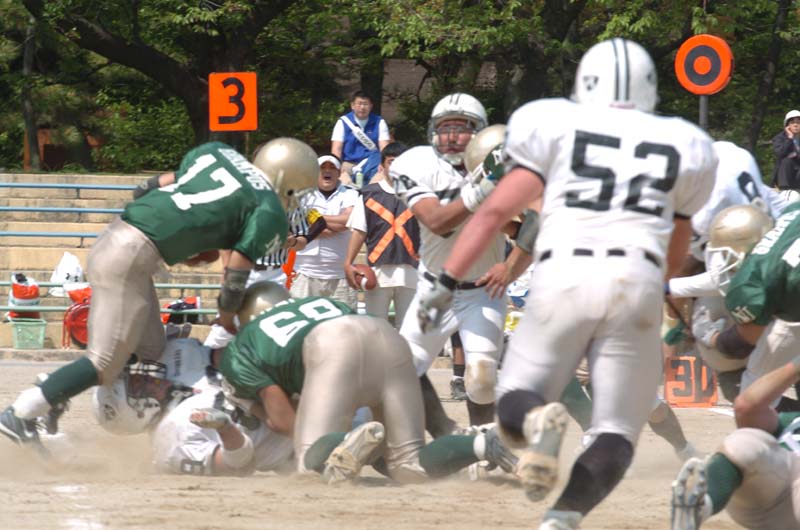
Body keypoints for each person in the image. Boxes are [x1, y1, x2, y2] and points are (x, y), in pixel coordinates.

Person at [418, 38, 717, 530]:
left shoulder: (551, 123)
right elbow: (677, 245)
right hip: (635, 279)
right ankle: (563, 518)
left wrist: (446, 279)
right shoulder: (685, 141)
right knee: (616, 431)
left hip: (565, 274)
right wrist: (653, 294)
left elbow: (491, 212)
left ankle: (538, 422)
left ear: (585, 82)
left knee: (516, 394)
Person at [0, 139, 319, 449]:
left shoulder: (220, 153)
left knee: (152, 353)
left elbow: (147, 187)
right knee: (104, 363)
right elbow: (235, 277)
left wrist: (179, 234)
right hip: (130, 256)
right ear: (289, 177)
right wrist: (225, 318)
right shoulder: (268, 209)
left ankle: (57, 389)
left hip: (125, 241)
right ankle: (23, 412)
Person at [218, 282, 518, 484]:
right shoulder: (318, 302)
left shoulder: (243, 345)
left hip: (331, 348)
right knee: (408, 465)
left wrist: (261, 412)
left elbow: (284, 421)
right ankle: (482, 444)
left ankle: (349, 441)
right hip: (386, 335)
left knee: (309, 464)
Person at [390, 92, 513, 431]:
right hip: (435, 288)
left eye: (463, 127)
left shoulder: (500, 167)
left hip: (482, 290)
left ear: (480, 133)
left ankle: (482, 442)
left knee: (482, 377)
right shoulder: (415, 164)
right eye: (446, 128)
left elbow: (521, 228)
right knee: (401, 369)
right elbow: (437, 222)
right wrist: (482, 190)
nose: (453, 136)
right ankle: (446, 431)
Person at [671, 357, 800, 530]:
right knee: (743, 442)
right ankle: (697, 508)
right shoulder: (792, 421)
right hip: (775, 492)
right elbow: (746, 407)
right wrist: (796, 365)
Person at [344, 142, 418, 326]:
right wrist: (348, 262)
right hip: (377, 274)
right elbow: (359, 232)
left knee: (409, 331)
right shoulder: (369, 195)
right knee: (376, 328)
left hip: (412, 272)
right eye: (391, 162)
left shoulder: (418, 195)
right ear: (382, 166)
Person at [290, 154, 360, 309]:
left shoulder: (350, 193)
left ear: (339, 172)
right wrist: (333, 223)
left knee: (344, 322)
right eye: (323, 168)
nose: (327, 171)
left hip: (340, 276)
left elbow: (349, 220)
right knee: (302, 321)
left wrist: (317, 221)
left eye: (332, 168)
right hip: (305, 273)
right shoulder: (302, 195)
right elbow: (297, 225)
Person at [331, 91, 391, 185]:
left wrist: (383, 164)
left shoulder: (379, 122)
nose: (362, 107)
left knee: (381, 180)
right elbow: (336, 149)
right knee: (342, 183)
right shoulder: (342, 122)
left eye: (365, 104)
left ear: (371, 106)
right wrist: (338, 166)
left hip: (372, 163)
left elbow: (384, 148)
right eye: (359, 104)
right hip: (348, 164)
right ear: (352, 105)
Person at [771, 109, 800, 199]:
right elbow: (780, 153)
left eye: (798, 122)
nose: (795, 125)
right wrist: (790, 139)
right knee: (786, 161)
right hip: (786, 175)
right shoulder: (779, 138)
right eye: (792, 123)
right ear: (787, 126)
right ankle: (784, 190)